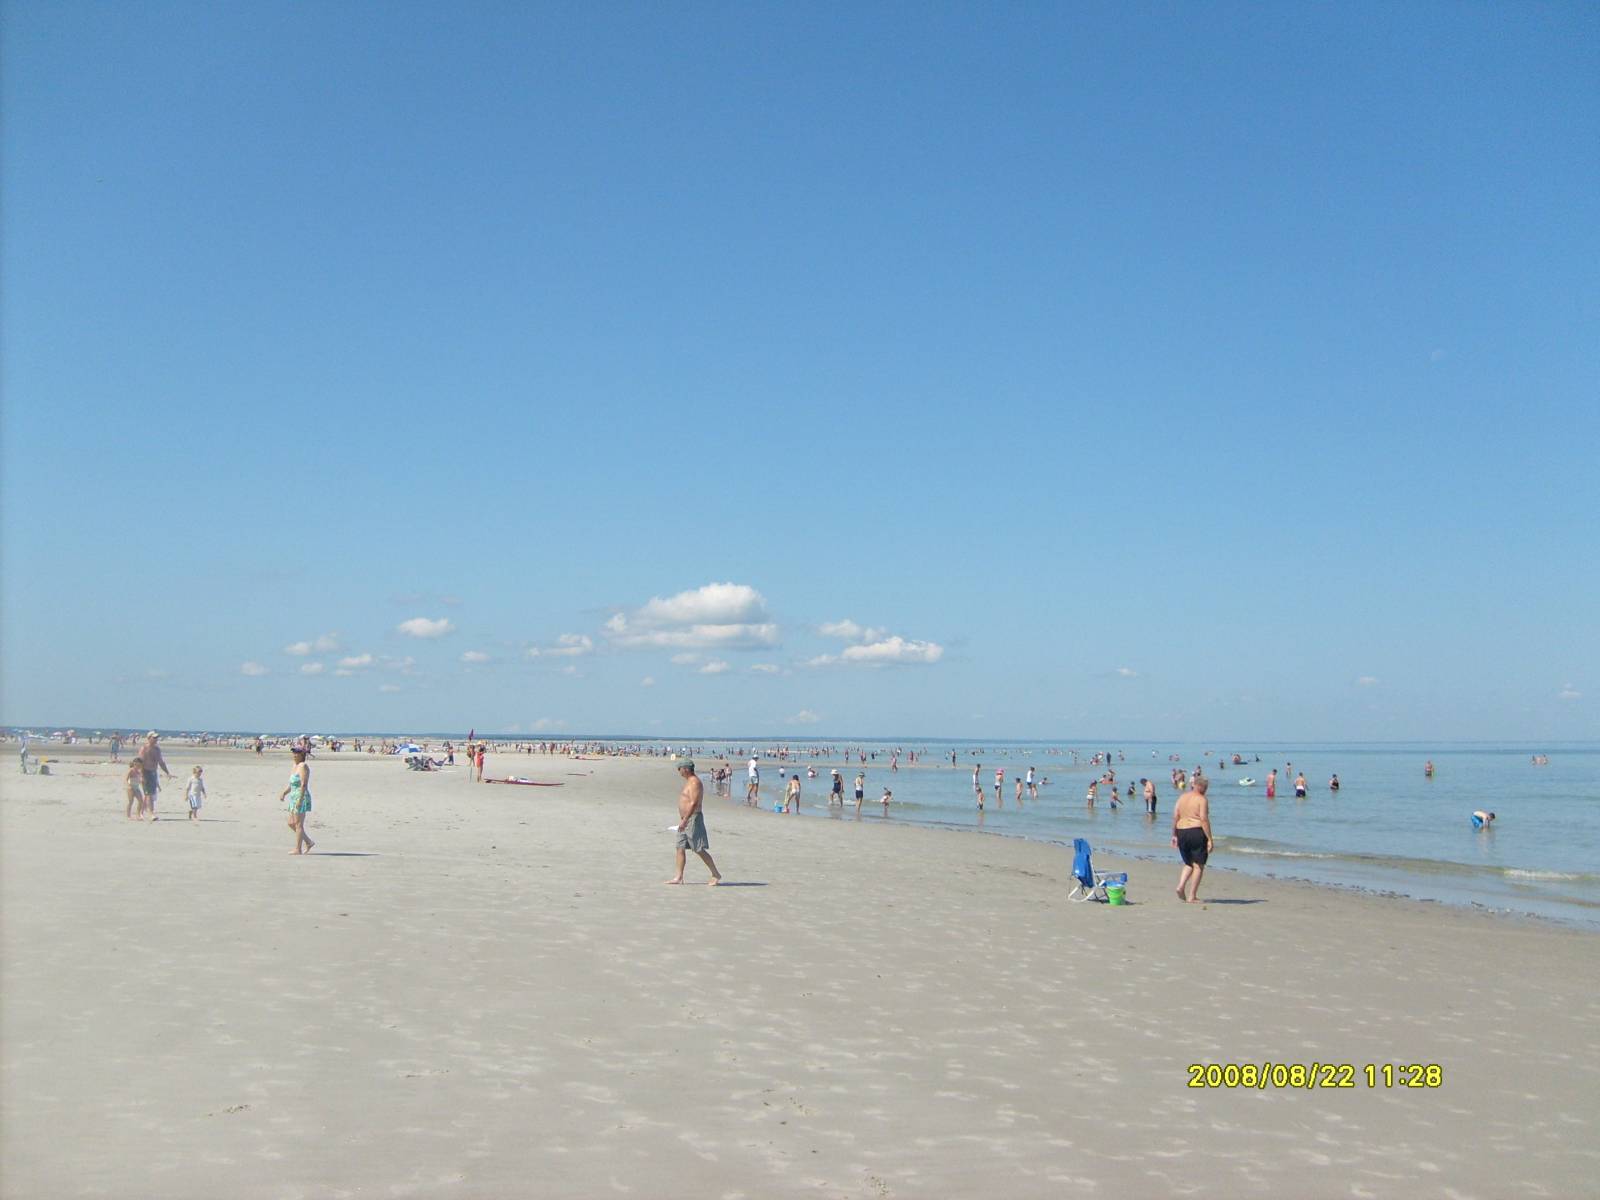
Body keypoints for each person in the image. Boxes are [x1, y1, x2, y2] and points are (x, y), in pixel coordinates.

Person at [667, 760, 720, 886]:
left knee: (698, 849)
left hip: (692, 819)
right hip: (684, 820)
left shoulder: (695, 782)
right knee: (680, 847)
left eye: (679, 769)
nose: (679, 771)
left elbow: (694, 803)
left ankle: (716, 874)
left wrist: (685, 819)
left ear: (686, 769)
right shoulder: (689, 782)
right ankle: (678, 877)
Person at [1172, 776, 1213, 903]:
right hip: (1196, 831)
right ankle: (1192, 896)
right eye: (1206, 788)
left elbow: (1175, 816)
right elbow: (1203, 819)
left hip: (1181, 831)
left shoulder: (1182, 797)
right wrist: (1210, 839)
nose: (1206, 790)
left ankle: (1180, 886)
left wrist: (1174, 834)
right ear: (1202, 787)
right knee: (1199, 865)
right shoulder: (1202, 799)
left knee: (1189, 863)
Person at [277, 747, 315, 854]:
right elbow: (291, 784)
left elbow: (303, 784)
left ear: (302, 755)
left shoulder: (303, 766)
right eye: (293, 753)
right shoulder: (294, 766)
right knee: (291, 823)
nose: (294, 755)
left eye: (297, 753)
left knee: (298, 824)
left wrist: (300, 800)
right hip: (293, 797)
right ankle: (308, 842)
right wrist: (284, 793)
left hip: (301, 796)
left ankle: (298, 849)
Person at [138, 732, 173, 817]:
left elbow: (161, 762)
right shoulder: (144, 748)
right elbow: (140, 763)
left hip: (153, 772)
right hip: (145, 772)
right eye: (154, 738)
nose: (156, 739)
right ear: (149, 738)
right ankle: (151, 813)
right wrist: (141, 775)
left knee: (150, 793)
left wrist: (167, 772)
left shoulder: (157, 749)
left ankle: (141, 812)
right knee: (149, 793)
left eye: (156, 738)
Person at [125, 756, 147, 820]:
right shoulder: (131, 770)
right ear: (134, 764)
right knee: (131, 802)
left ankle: (138, 814)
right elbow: (126, 779)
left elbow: (139, 780)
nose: (139, 766)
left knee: (141, 801)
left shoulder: (139, 771)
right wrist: (128, 785)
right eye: (137, 765)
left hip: (136, 787)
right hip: (130, 788)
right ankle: (128, 816)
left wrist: (143, 782)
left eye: (140, 765)